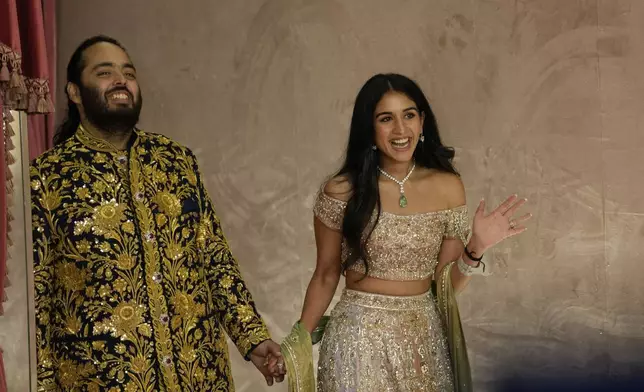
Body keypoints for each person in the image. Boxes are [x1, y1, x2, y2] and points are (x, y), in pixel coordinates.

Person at [30, 35, 285, 391]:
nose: (121, 80)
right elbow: (38, 298)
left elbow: (213, 257)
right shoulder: (47, 176)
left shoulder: (175, 161)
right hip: (102, 380)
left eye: (128, 72)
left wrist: (252, 338)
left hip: (197, 374)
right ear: (74, 92)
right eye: (105, 72)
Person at [280, 73, 532, 391]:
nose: (401, 130)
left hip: (422, 342)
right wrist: (297, 341)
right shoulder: (342, 191)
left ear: (422, 122)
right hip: (357, 343)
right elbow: (326, 274)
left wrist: (477, 246)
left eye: (409, 115)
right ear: (370, 130)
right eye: (387, 119)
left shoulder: (448, 187)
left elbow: (445, 288)